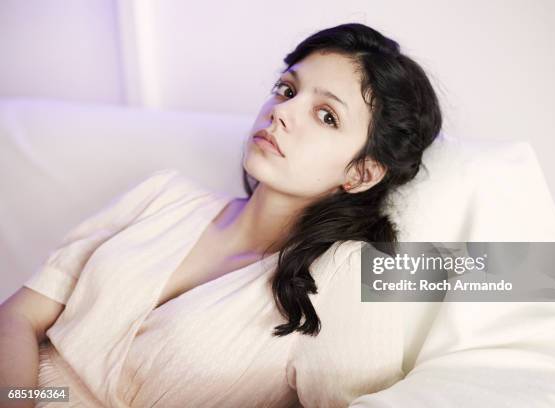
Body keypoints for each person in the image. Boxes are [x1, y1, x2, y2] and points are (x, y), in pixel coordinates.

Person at [0, 23, 442, 407]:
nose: (281, 111)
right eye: (287, 90)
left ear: (362, 173)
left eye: (326, 116)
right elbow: (19, 317)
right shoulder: (163, 195)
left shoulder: (344, 276)